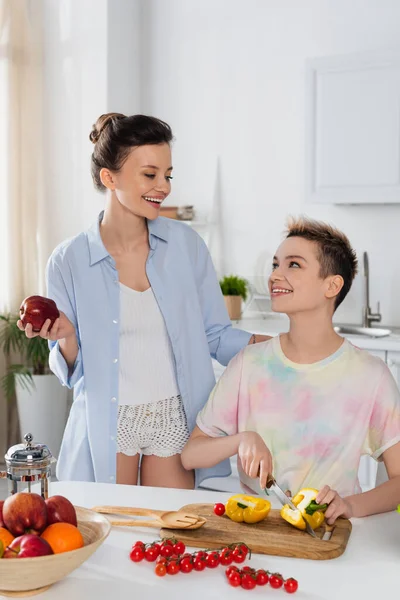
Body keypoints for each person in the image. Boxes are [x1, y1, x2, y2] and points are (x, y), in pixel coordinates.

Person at [18, 113, 269, 489]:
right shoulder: (68, 260)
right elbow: (70, 371)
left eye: (168, 175)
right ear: (110, 177)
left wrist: (277, 348)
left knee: (168, 535)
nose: (163, 186)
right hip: (109, 421)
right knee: (114, 532)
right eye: (150, 175)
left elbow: (215, 335)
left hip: (174, 415)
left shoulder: (187, 247)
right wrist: (67, 336)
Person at [182, 217, 400, 523]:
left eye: (293, 265)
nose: (275, 276)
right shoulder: (249, 363)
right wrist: (241, 439)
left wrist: (350, 506)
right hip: (257, 531)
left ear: (332, 285)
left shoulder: (371, 376)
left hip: (330, 534)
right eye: (275, 264)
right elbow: (191, 454)